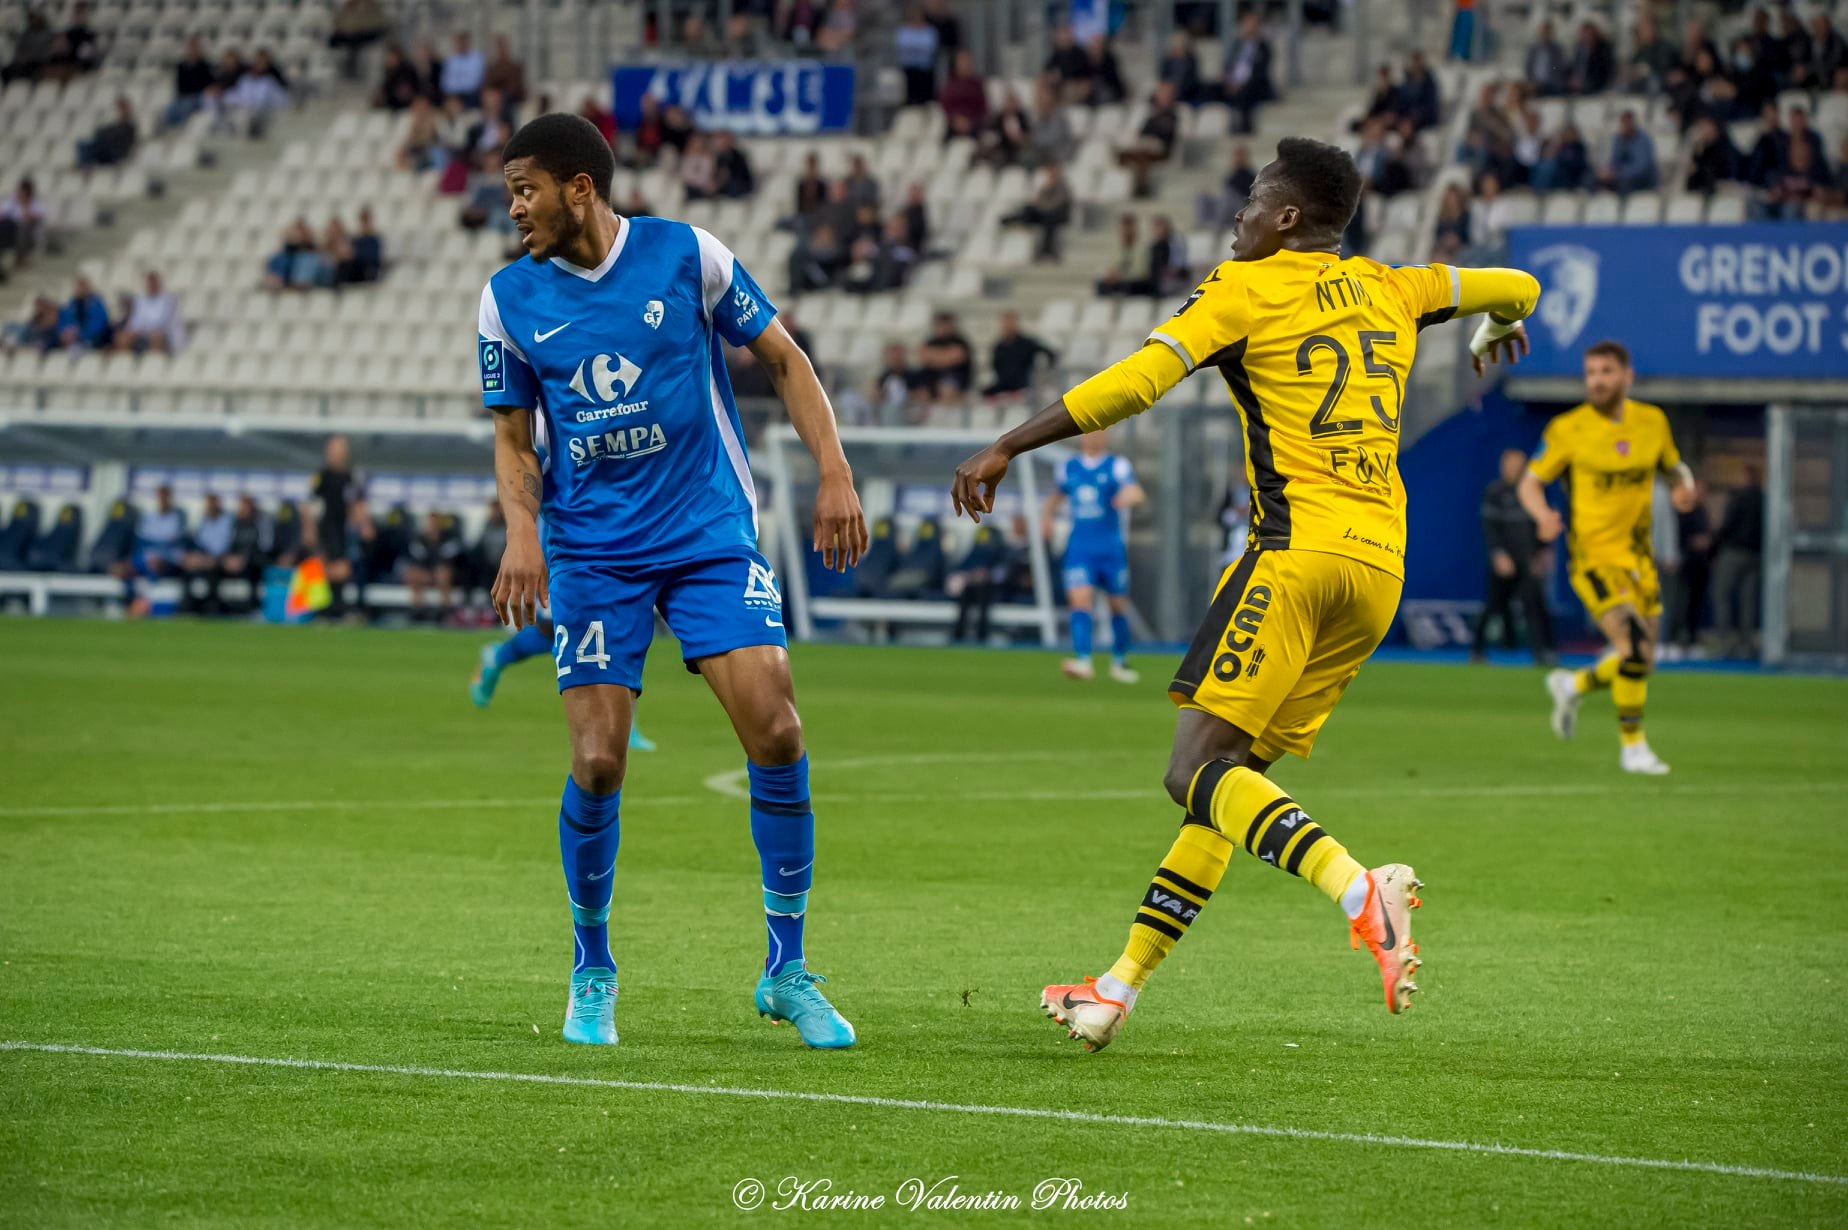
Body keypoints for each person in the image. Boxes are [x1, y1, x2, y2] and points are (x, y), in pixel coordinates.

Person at [949, 136, 1543, 1050]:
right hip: (1378, 574)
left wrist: (1007, 445)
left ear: (1289, 218)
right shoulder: (1397, 287)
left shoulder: (1242, 292)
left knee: (1193, 772)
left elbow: (1139, 382)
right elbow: (1519, 287)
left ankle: (1359, 889)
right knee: (1227, 788)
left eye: (1253, 203)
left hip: (1292, 557)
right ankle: (1116, 988)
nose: (1239, 218)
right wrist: (1493, 328)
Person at [477, 114, 867, 1049]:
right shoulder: (507, 299)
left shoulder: (688, 255)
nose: (515, 209)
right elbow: (510, 436)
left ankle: (788, 969)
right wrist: (521, 536)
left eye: (525, 189)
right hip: (592, 547)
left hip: (705, 530)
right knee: (598, 761)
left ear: (580, 187)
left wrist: (836, 472)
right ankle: (593, 970)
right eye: (508, 194)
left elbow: (785, 359)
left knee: (776, 728)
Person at [1525, 341, 1697, 775]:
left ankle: (1573, 684)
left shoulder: (1652, 422)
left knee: (1642, 659)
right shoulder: (1568, 429)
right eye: (1590, 373)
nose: (1596, 381)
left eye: (1605, 372)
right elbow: (1529, 483)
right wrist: (1543, 514)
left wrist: (1683, 487)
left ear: (1627, 376)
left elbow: (1674, 467)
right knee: (1634, 647)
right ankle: (1633, 747)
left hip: (1640, 558)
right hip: (1594, 560)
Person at [1044, 429, 1144, 683]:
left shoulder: (1117, 465)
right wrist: (1046, 517)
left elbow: (1135, 491)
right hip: (1080, 547)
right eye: (1089, 433)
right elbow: (1057, 495)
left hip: (1110, 548)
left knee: (1117, 605)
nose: (1093, 438)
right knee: (1080, 600)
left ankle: (1119, 662)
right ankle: (1083, 661)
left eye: (1099, 433)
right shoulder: (1069, 467)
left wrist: (1127, 496)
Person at [1471, 448, 1554, 664]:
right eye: (1508, 464)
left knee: (1535, 606)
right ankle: (1477, 651)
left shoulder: (1534, 492)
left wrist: (1543, 552)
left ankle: (1543, 654)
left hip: (1528, 559)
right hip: (1504, 560)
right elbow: (1489, 528)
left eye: (1517, 464)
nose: (1512, 468)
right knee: (1493, 605)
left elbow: (1543, 525)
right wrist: (1498, 554)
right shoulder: (1495, 491)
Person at [1709, 465, 1763, 659]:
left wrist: (1713, 548)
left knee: (1721, 595)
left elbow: (1727, 526)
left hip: (1734, 552)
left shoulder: (1738, 497)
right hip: (1756, 555)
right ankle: (1747, 646)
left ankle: (1725, 643)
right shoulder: (1764, 498)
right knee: (1748, 601)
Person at [311, 435, 362, 619]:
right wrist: (311, 529)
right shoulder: (322, 475)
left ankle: (336, 607)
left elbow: (356, 502)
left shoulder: (351, 475)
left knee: (342, 567)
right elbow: (313, 504)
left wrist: (360, 523)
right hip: (326, 527)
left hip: (343, 529)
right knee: (327, 566)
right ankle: (325, 609)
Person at [1001, 164, 1073, 261]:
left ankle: (1047, 252)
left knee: (1049, 221)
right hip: (1045, 213)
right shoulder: (1045, 186)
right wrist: (1041, 201)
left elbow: (1056, 203)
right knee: (1028, 209)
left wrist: (1042, 205)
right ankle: (1013, 221)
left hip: (1057, 216)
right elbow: (1038, 201)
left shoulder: (1062, 187)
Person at [983, 309, 1056, 397]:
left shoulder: (1027, 343)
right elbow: (996, 368)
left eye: (1011, 322)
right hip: (1004, 386)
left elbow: (1049, 353)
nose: (1008, 326)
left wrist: (1045, 374)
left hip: (1024, 385)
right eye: (1006, 322)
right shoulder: (998, 347)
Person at [114, 271, 184, 353]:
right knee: (122, 338)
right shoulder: (140, 300)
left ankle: (154, 362)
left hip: (160, 334)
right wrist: (133, 332)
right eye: (150, 282)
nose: (152, 285)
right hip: (142, 333)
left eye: (154, 282)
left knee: (156, 338)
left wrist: (147, 331)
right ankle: (124, 363)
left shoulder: (168, 300)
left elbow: (165, 322)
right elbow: (135, 321)